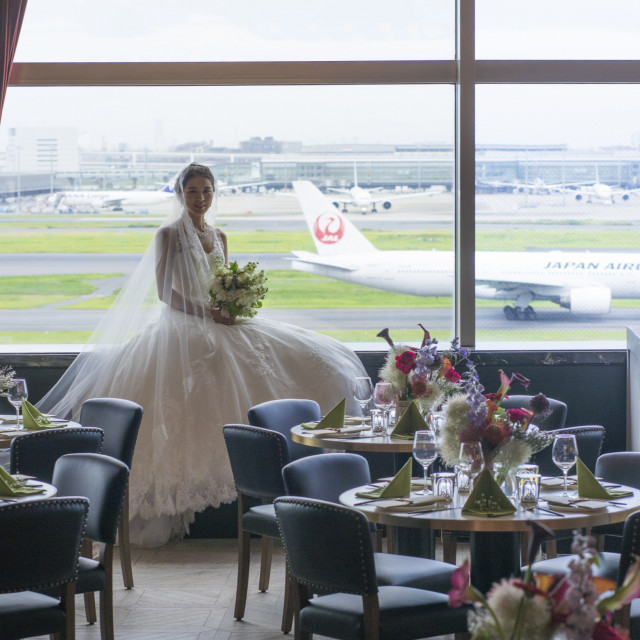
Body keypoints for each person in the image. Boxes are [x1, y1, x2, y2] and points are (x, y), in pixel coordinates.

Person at [38, 163, 367, 547]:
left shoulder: (220, 235)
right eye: (193, 191)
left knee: (319, 360)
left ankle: (303, 477)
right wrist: (205, 311)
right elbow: (164, 293)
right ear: (180, 194)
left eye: (207, 190)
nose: (201, 198)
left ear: (215, 192)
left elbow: (223, 283)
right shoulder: (168, 235)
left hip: (219, 321)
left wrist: (231, 304)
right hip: (181, 327)